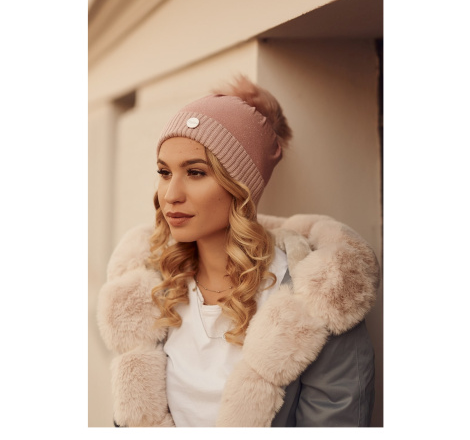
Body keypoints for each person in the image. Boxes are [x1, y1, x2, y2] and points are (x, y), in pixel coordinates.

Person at [97, 75, 380, 427]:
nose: (171, 194)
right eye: (165, 172)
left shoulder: (316, 299)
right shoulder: (153, 290)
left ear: (241, 186)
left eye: (196, 172)